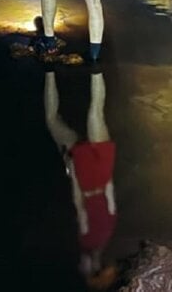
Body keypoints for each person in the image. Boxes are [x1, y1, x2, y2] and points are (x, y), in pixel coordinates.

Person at [44, 68, 118, 290]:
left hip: (101, 173)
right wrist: (73, 168)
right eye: (85, 270)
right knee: (56, 119)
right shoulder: (87, 240)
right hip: (86, 178)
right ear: (94, 266)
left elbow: (110, 191)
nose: (80, 267)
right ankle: (50, 69)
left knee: (95, 113)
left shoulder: (108, 234)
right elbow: (79, 204)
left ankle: (91, 67)